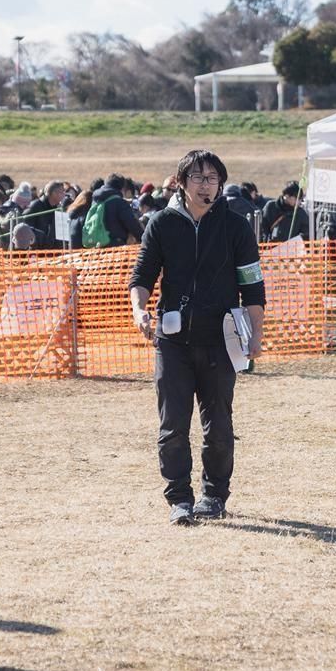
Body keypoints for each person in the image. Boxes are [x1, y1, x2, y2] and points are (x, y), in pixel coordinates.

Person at [129, 150, 266, 525]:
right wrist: (140, 310)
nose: (206, 185)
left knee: (218, 425)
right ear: (180, 182)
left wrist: (256, 333)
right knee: (173, 424)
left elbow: (252, 286)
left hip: (222, 338)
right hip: (172, 340)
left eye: (212, 179)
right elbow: (142, 275)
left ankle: (214, 495)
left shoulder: (235, 226)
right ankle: (179, 499)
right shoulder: (161, 223)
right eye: (198, 177)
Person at [87, 174, 144, 247]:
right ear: (121, 187)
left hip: (96, 244)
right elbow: (132, 224)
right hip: (115, 244)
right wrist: (143, 238)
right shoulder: (118, 202)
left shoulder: (95, 200)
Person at [24, 180, 66, 249]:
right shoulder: (35, 206)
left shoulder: (58, 209)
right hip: (36, 249)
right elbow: (26, 227)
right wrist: (40, 238)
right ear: (54, 193)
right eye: (62, 192)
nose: (64, 195)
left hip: (52, 250)